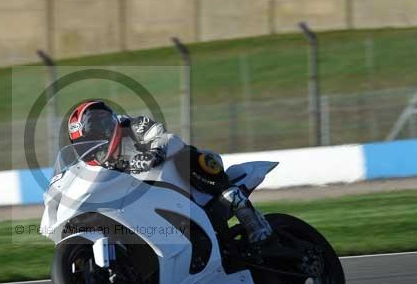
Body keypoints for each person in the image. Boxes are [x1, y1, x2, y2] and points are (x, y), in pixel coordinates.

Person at [66, 100, 274, 245]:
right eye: (86, 142)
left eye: (93, 134)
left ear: (104, 121)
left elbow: (166, 137)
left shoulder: (132, 125)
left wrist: (154, 153)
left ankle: (250, 218)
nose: (93, 144)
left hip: (177, 182)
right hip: (147, 199)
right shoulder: (100, 164)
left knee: (190, 156)